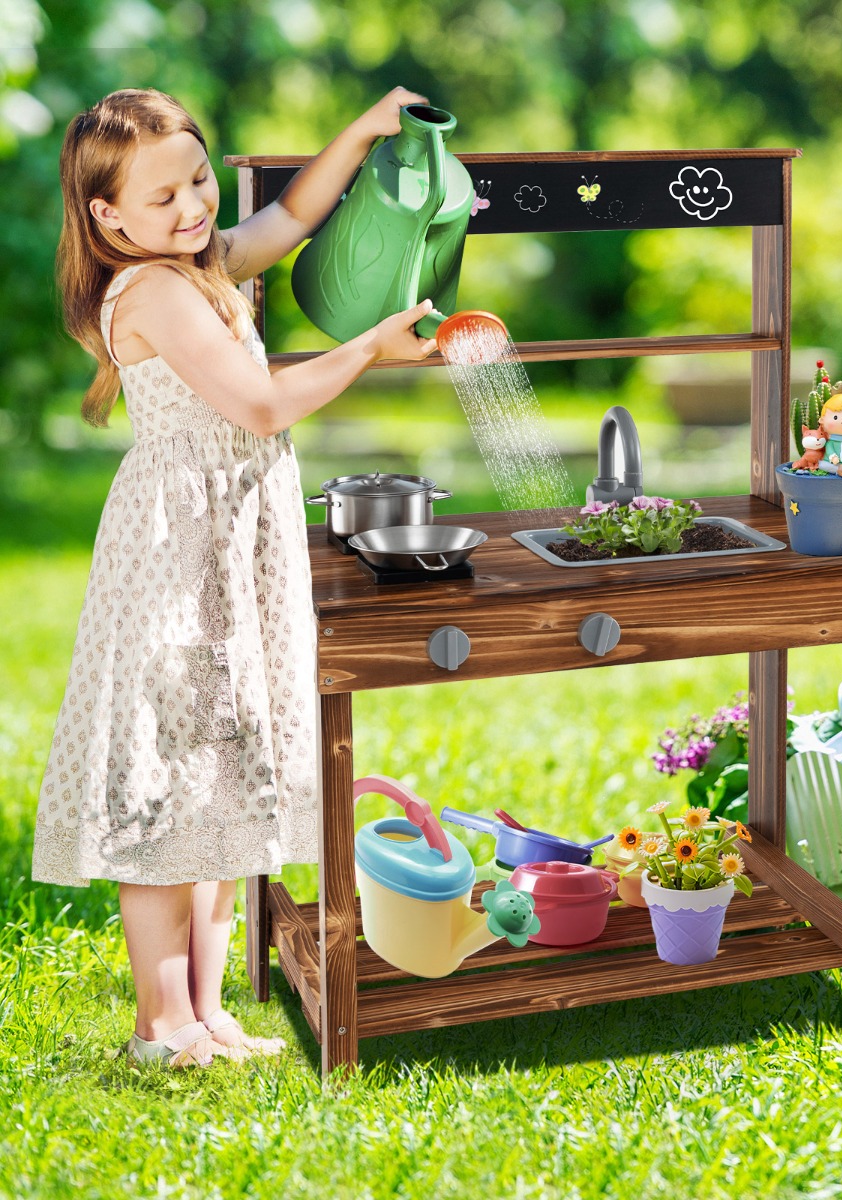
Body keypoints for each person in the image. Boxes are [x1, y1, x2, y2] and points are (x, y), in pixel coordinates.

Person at [34, 86, 439, 1067]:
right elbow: (259, 404)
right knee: (173, 791)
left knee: (219, 782)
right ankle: (158, 1021)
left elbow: (293, 216)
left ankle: (209, 1014)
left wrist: (362, 131)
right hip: (177, 560)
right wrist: (368, 351)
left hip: (226, 548)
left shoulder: (198, 262)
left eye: (199, 180)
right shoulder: (157, 290)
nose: (193, 207)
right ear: (107, 217)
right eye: (163, 197)